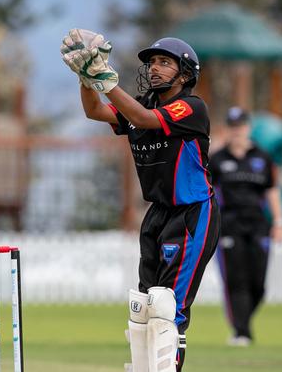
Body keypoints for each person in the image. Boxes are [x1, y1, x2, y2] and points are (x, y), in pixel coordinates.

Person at [60, 29, 220, 372]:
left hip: (193, 213)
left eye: (165, 62)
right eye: (152, 63)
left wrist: (105, 81)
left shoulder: (191, 108)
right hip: (158, 214)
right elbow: (94, 112)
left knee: (168, 308)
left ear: (186, 73)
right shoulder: (142, 105)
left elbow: (144, 120)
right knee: (146, 307)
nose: (155, 68)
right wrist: (86, 78)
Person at [208, 106, 282, 346]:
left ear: (248, 128)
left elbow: (272, 190)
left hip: (258, 226)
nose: (237, 131)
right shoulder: (218, 160)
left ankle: (242, 322)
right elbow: (207, 193)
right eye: (232, 127)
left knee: (258, 284)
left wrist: (279, 222)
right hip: (230, 226)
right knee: (236, 280)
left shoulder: (262, 158)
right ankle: (241, 331)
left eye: (240, 126)